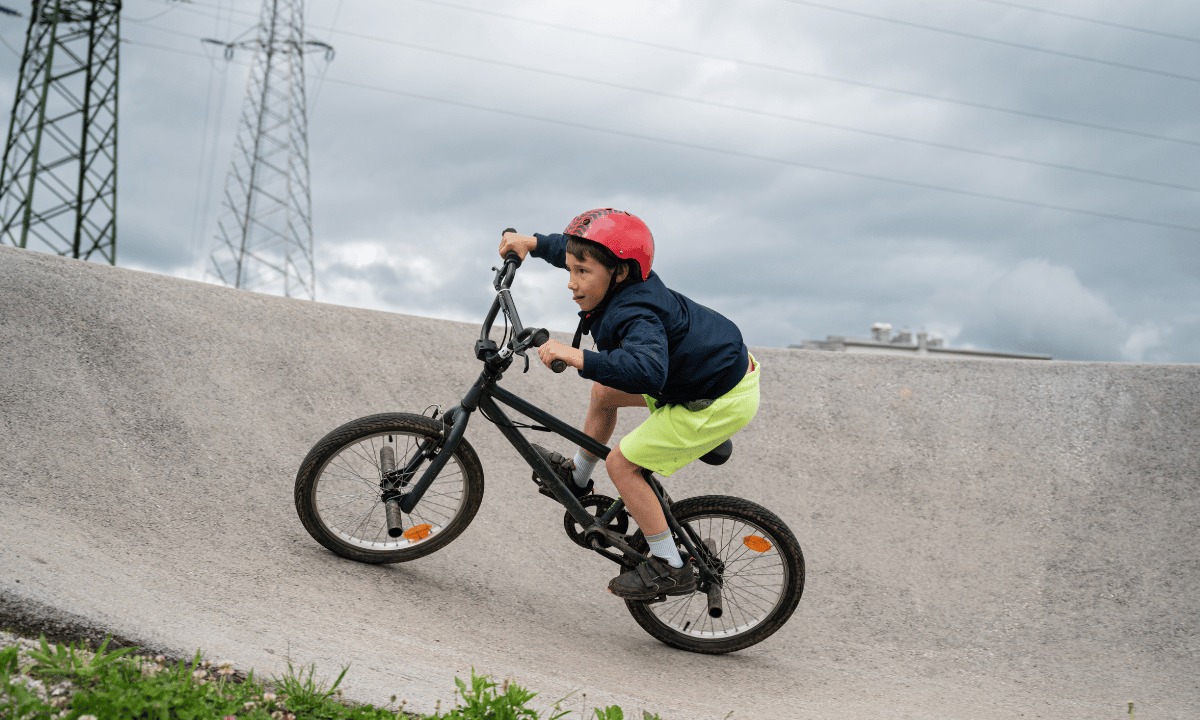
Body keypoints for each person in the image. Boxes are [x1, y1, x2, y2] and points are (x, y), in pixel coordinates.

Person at [497, 208, 760, 601]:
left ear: (619, 272)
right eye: (570, 270)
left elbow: (646, 371)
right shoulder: (623, 278)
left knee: (622, 464)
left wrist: (577, 357)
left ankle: (671, 565)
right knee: (604, 393)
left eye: (581, 273)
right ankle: (578, 479)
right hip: (700, 374)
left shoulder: (636, 313)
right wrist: (532, 244)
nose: (571, 283)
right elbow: (575, 251)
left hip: (716, 399)